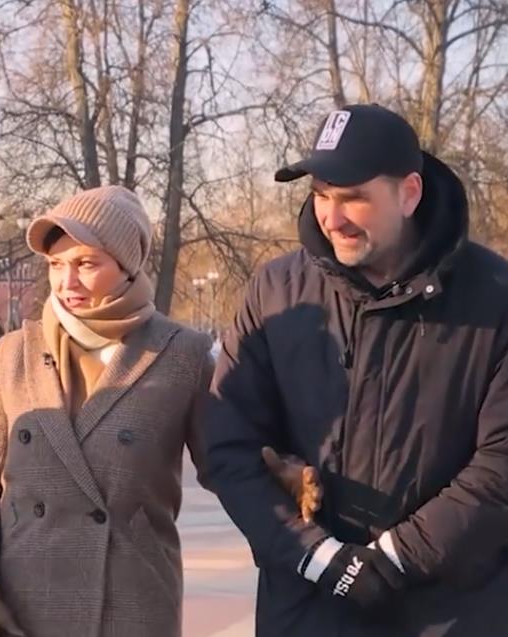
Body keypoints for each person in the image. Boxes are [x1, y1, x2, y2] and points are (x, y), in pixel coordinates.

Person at [205, 103, 508, 636]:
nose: (332, 217)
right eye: (321, 195)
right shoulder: (275, 292)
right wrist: (316, 556)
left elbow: (500, 463)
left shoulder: (495, 297)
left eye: (353, 197)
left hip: (452, 614)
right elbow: (228, 445)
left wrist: (395, 559)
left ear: (409, 193)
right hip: (306, 610)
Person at [0, 185, 214, 637]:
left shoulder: (182, 355)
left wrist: (284, 473)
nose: (67, 282)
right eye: (56, 265)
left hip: (131, 602)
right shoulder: (15, 353)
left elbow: (229, 464)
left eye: (86, 264)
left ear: (126, 266)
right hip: (23, 605)